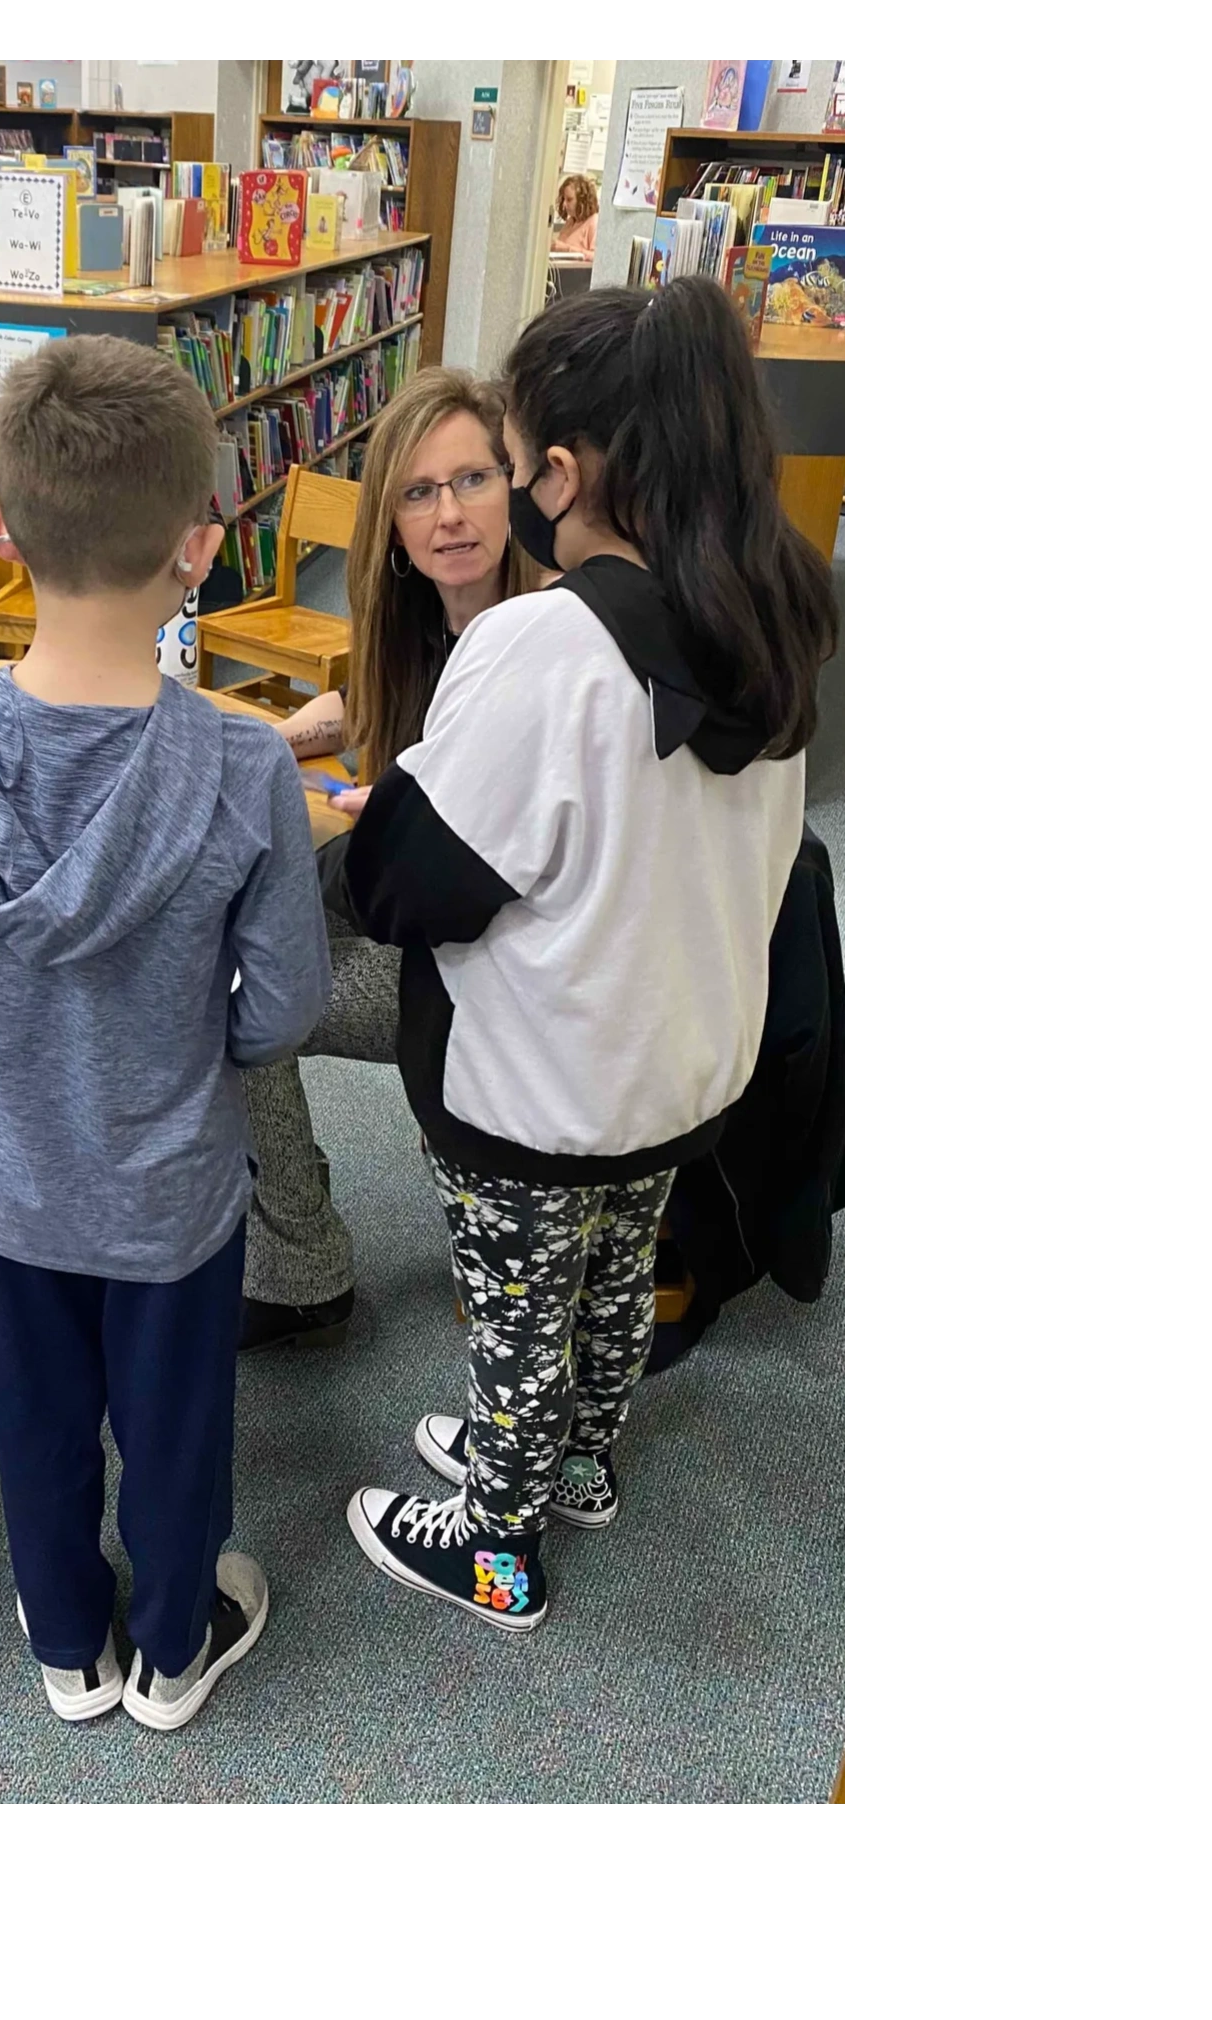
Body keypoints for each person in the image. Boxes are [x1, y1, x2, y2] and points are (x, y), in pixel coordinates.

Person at [334, 280, 838, 1631]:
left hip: (536, 1086)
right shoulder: (775, 621)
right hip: (677, 1072)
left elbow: (409, 881)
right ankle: (582, 1463)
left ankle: (494, 1546)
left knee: (513, 1308)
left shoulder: (543, 645)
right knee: (614, 1278)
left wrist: (364, 827)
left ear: (558, 470)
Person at [0, 336, 329, 1728]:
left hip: (13, 1183)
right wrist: (208, 1053)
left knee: (36, 1421)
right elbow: (287, 1004)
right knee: (179, 1427)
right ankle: (176, 1645)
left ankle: (70, 1642)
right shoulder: (249, 762)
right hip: (177, 1195)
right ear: (199, 548)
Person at [239, 369, 541, 1349]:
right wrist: (275, 738)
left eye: (475, 480)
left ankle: (296, 1264)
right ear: (394, 525)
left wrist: (409, 823)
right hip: (433, 926)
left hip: (491, 979)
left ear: (521, 484)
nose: (450, 514)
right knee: (251, 910)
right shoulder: (428, 627)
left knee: (234, 986)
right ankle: (294, 1248)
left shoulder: (546, 644)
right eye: (419, 492)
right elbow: (367, 709)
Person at [551, 173, 598, 258]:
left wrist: (567, 249)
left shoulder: (594, 222)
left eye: (569, 200)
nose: (564, 204)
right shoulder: (571, 222)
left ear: (582, 200)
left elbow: (596, 257)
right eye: (564, 199)